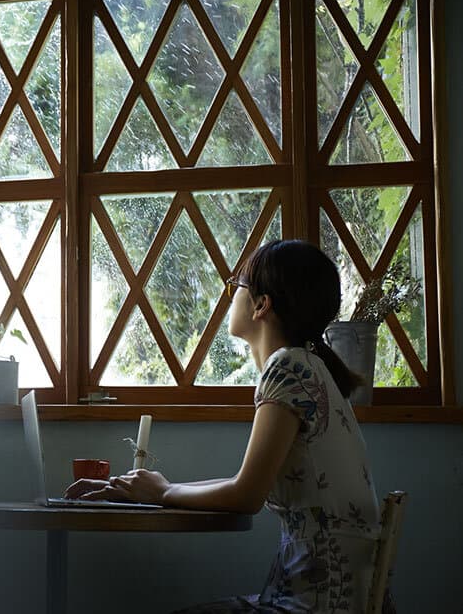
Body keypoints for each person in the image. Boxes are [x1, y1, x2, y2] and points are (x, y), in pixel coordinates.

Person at [64, 240, 389, 613]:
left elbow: (246, 496)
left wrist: (164, 493)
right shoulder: (313, 369)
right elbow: (246, 483)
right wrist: (156, 489)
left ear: (262, 304)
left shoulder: (289, 368)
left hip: (317, 605)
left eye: (238, 284)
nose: (231, 294)